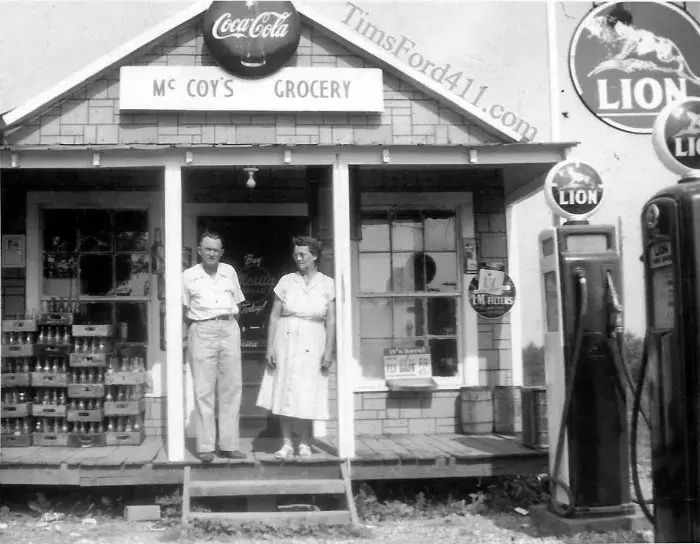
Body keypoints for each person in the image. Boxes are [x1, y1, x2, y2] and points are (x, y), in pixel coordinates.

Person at [256, 235, 336, 459]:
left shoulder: (327, 284)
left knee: (307, 391)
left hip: (314, 339)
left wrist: (328, 350)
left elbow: (330, 320)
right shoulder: (286, 281)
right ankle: (287, 444)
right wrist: (270, 347)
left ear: (315, 256)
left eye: (303, 254)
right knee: (285, 389)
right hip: (287, 338)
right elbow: (273, 316)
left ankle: (304, 443)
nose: (298, 258)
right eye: (296, 254)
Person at [182, 230, 246, 463]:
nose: (211, 253)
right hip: (202, 329)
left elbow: (237, 303)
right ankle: (206, 446)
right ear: (199, 250)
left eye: (215, 250)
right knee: (204, 389)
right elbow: (182, 310)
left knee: (231, 388)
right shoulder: (188, 276)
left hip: (228, 327)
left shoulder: (229, 272)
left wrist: (231, 329)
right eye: (207, 249)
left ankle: (229, 445)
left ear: (221, 252)